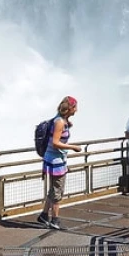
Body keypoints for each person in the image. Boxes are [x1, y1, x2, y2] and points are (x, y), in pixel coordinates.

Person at [38, 96, 82, 230]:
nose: (77, 110)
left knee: (54, 189)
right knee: (58, 191)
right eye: (75, 107)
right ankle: (55, 220)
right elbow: (56, 143)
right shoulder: (60, 122)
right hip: (55, 161)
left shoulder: (61, 120)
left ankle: (44, 215)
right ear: (69, 109)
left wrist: (68, 123)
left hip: (55, 159)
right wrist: (73, 147)